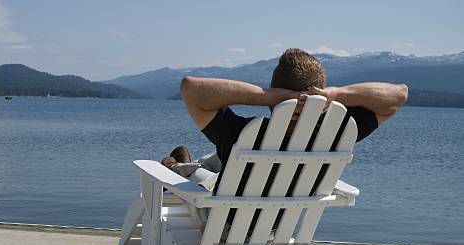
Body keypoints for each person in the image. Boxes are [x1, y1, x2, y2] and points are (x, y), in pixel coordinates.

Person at [164, 48, 408, 229]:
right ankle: (191, 163)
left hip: (220, 227)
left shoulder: (244, 134)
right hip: (276, 229)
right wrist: (336, 94)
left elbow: (190, 87)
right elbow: (399, 95)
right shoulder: (336, 136)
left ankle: (174, 166)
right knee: (218, 161)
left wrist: (269, 96)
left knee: (204, 177)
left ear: (276, 89)